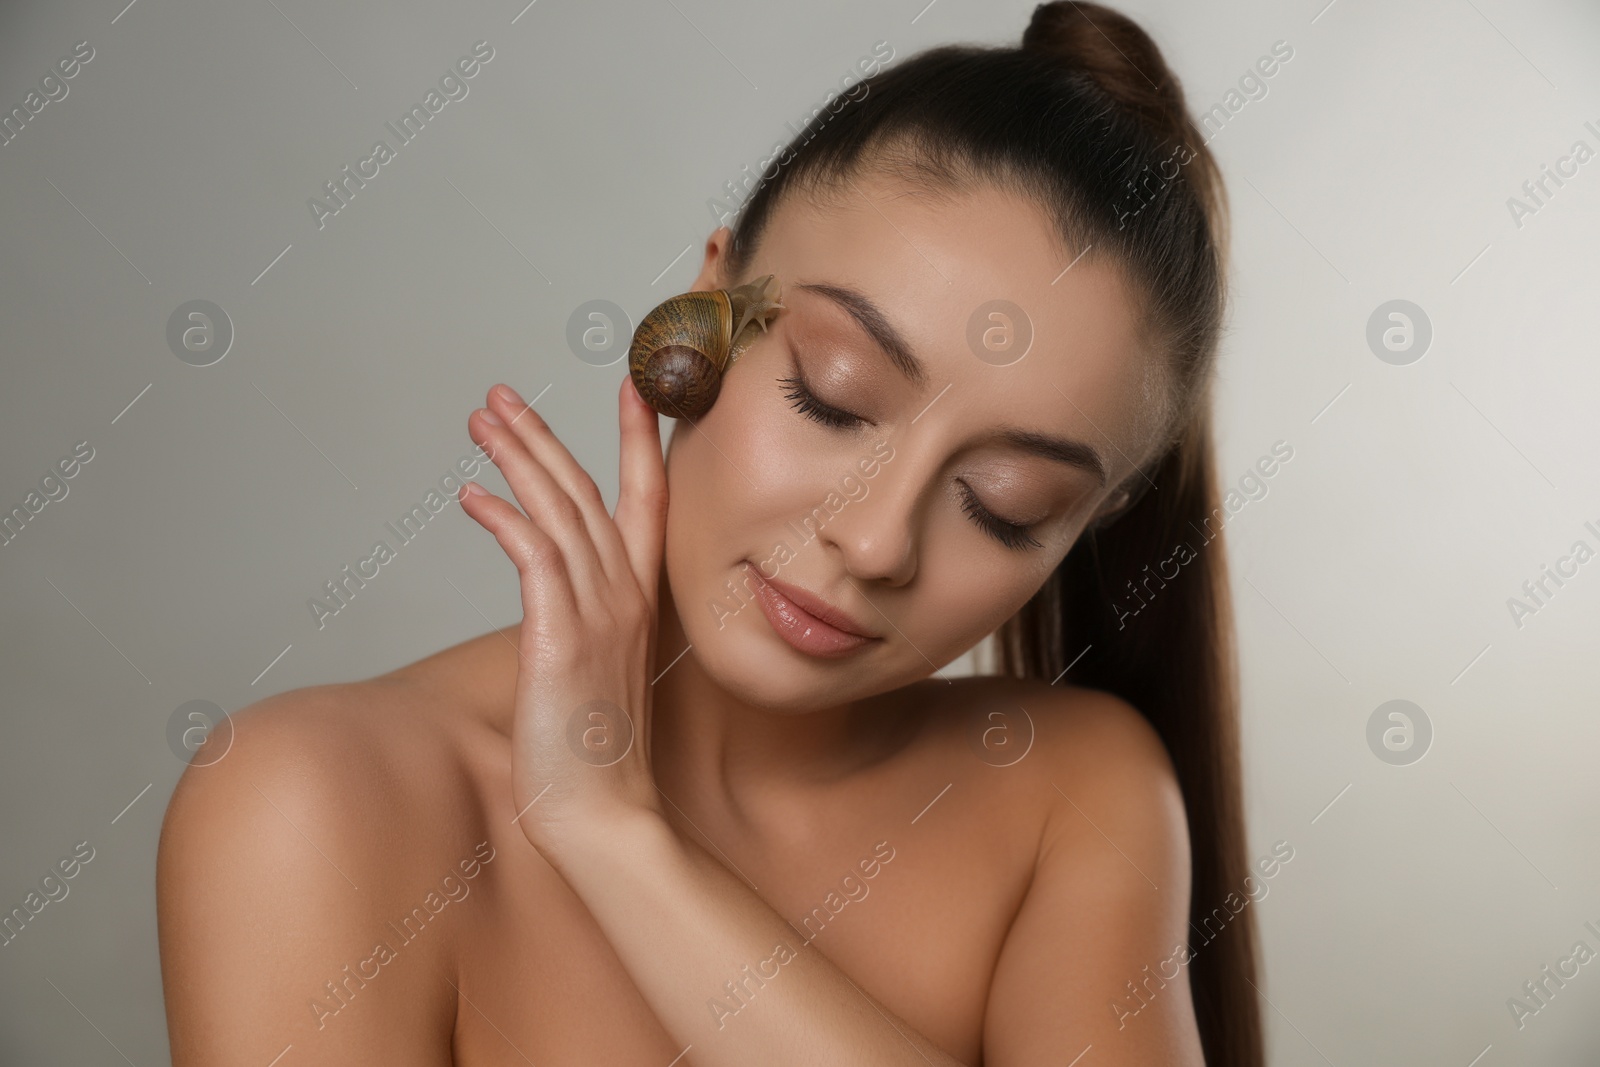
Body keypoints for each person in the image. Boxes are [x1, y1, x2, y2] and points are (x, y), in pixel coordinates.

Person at [156, 3, 1261, 1063]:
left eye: (1004, 502)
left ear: (1090, 522)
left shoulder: (1070, 795)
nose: (876, 542)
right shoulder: (313, 804)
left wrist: (611, 833)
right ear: (705, 316)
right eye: (832, 397)